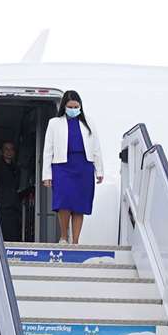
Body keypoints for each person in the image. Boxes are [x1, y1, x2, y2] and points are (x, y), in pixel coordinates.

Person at [42, 90, 103, 245]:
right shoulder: (54, 123)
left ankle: (75, 241)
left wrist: (99, 170)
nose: (74, 109)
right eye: (70, 106)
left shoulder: (89, 122)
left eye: (77, 106)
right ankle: (64, 236)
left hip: (83, 166)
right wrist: (46, 175)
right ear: (64, 106)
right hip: (62, 166)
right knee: (63, 203)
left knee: (79, 205)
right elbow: (48, 149)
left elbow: (96, 147)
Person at [0, 139, 34, 243]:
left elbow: (15, 189)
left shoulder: (16, 169)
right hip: (1, 207)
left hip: (14, 208)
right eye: (6, 149)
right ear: (1, 151)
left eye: (11, 149)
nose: (9, 152)